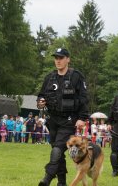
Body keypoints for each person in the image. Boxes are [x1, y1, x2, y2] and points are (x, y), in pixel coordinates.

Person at [37, 48, 89, 186]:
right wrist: (40, 102)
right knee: (58, 153)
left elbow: (84, 98)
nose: (58, 61)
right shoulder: (49, 77)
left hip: (69, 120)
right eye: (56, 58)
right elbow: (41, 95)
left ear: (68, 59)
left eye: (61, 58)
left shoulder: (76, 76)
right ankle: (62, 182)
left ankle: (47, 178)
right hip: (52, 120)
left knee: (57, 150)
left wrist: (82, 118)